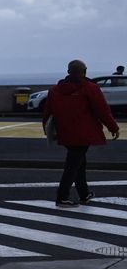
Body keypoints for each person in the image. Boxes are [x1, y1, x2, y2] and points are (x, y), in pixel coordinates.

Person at [41, 60, 119, 206]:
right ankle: (62, 196)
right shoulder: (90, 88)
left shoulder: (55, 90)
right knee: (72, 165)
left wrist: (47, 130)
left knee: (78, 162)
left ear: (68, 71)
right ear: (84, 71)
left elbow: (47, 112)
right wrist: (113, 127)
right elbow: (102, 111)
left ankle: (84, 193)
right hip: (84, 132)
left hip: (65, 132)